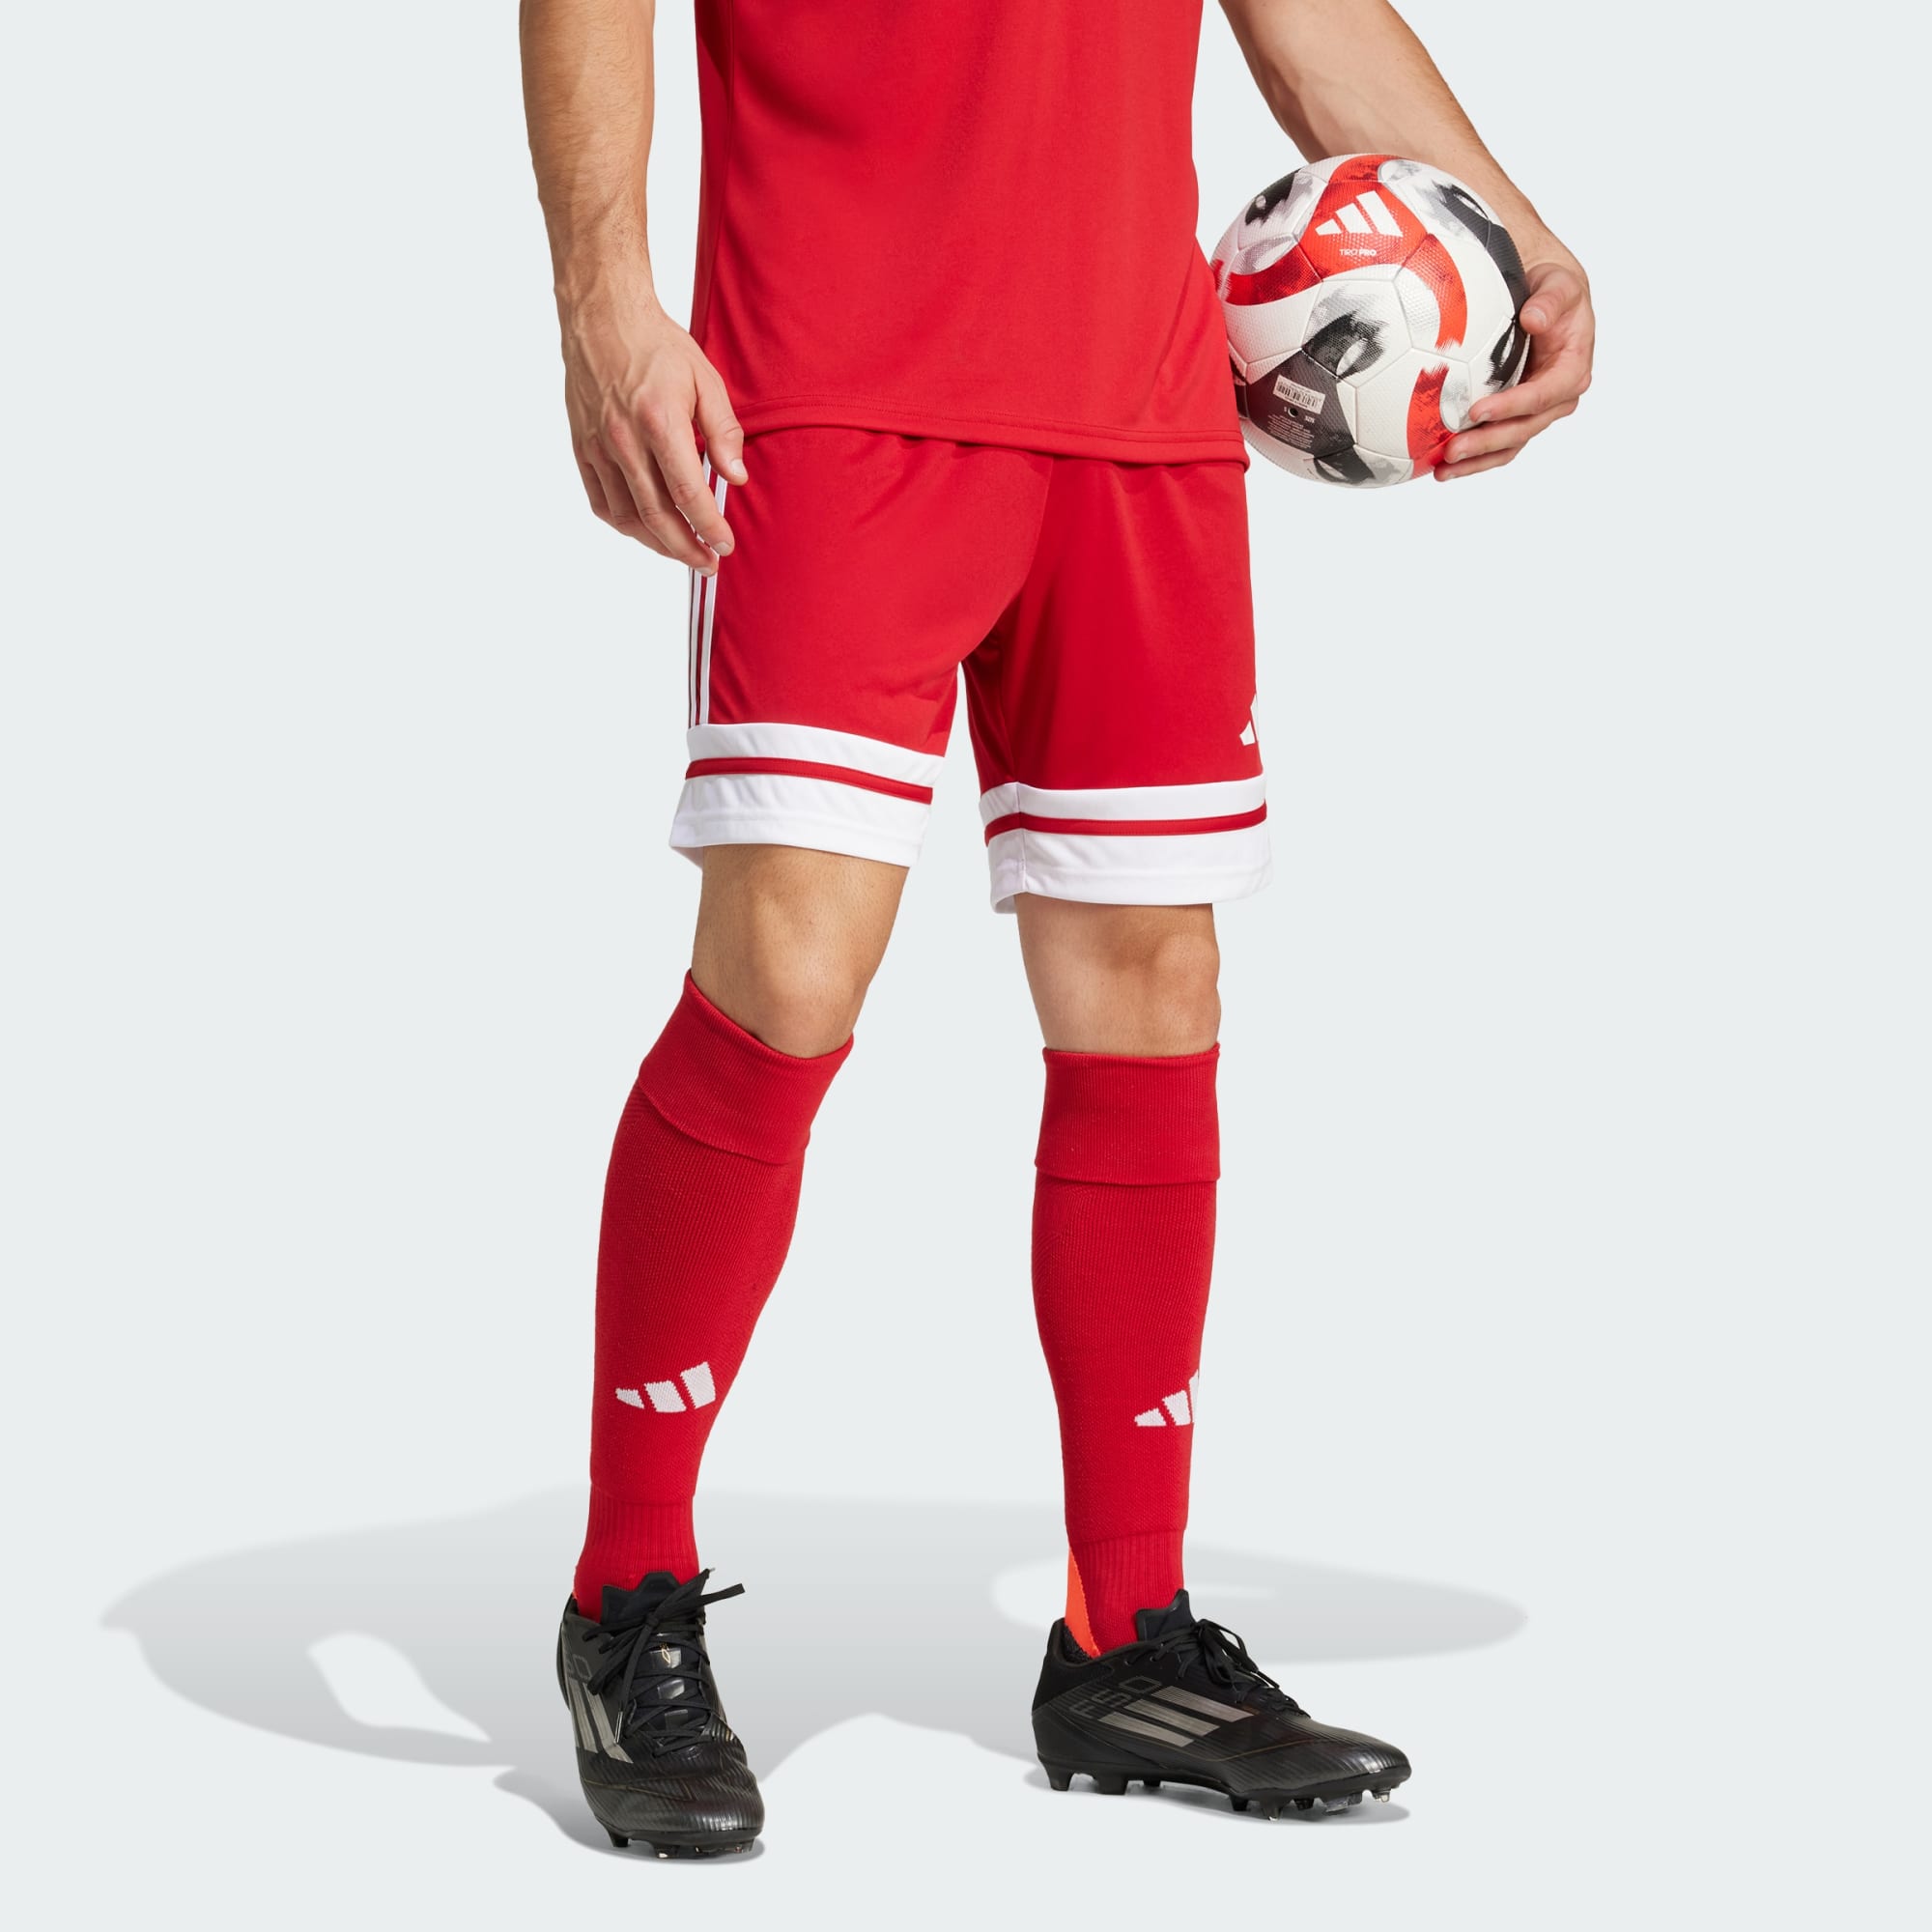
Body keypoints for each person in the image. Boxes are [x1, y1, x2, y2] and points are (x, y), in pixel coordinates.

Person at [521, 0, 1594, 1858]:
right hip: (826, 382)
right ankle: (625, 1595)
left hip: (1139, 408)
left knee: (1151, 986)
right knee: (790, 973)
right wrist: (604, 301)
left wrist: (1514, 234)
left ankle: (1125, 1634)